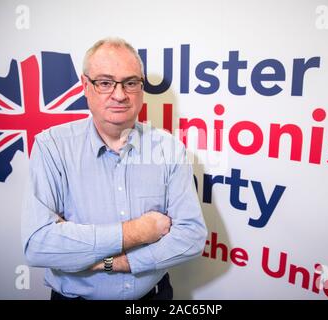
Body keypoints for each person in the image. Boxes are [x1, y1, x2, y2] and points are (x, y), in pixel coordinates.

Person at [21, 37, 207, 300]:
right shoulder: (51, 147)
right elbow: (38, 244)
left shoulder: (169, 149)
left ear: (141, 88)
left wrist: (109, 262)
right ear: (86, 86)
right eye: (105, 83)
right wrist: (138, 232)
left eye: (130, 83)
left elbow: (192, 237)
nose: (120, 95)